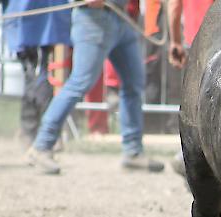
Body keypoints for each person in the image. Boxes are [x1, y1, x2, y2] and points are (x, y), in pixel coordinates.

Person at [28, 0, 164, 175]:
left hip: (120, 15)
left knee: (134, 83)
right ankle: (42, 145)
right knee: (80, 82)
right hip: (94, 16)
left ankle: (133, 152)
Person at [0, 0, 71, 147]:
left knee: (35, 77)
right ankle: (40, 134)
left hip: (40, 24)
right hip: (34, 26)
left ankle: (31, 132)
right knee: (39, 78)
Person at [166, 0, 214, 176]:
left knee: (194, 104)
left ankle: (187, 157)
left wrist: (175, 41)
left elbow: (174, 5)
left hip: (193, 38)